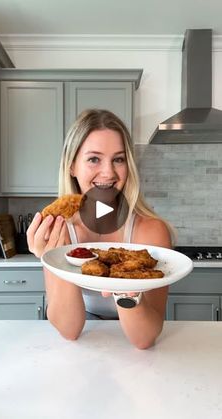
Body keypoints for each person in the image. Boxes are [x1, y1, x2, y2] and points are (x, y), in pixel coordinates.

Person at [27, 109, 175, 349]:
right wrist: (55, 257)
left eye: (118, 159)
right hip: (84, 350)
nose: (108, 173)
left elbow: (144, 339)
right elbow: (70, 330)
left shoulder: (151, 232)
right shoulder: (59, 231)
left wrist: (123, 284)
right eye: (94, 159)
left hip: (137, 360)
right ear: (72, 166)